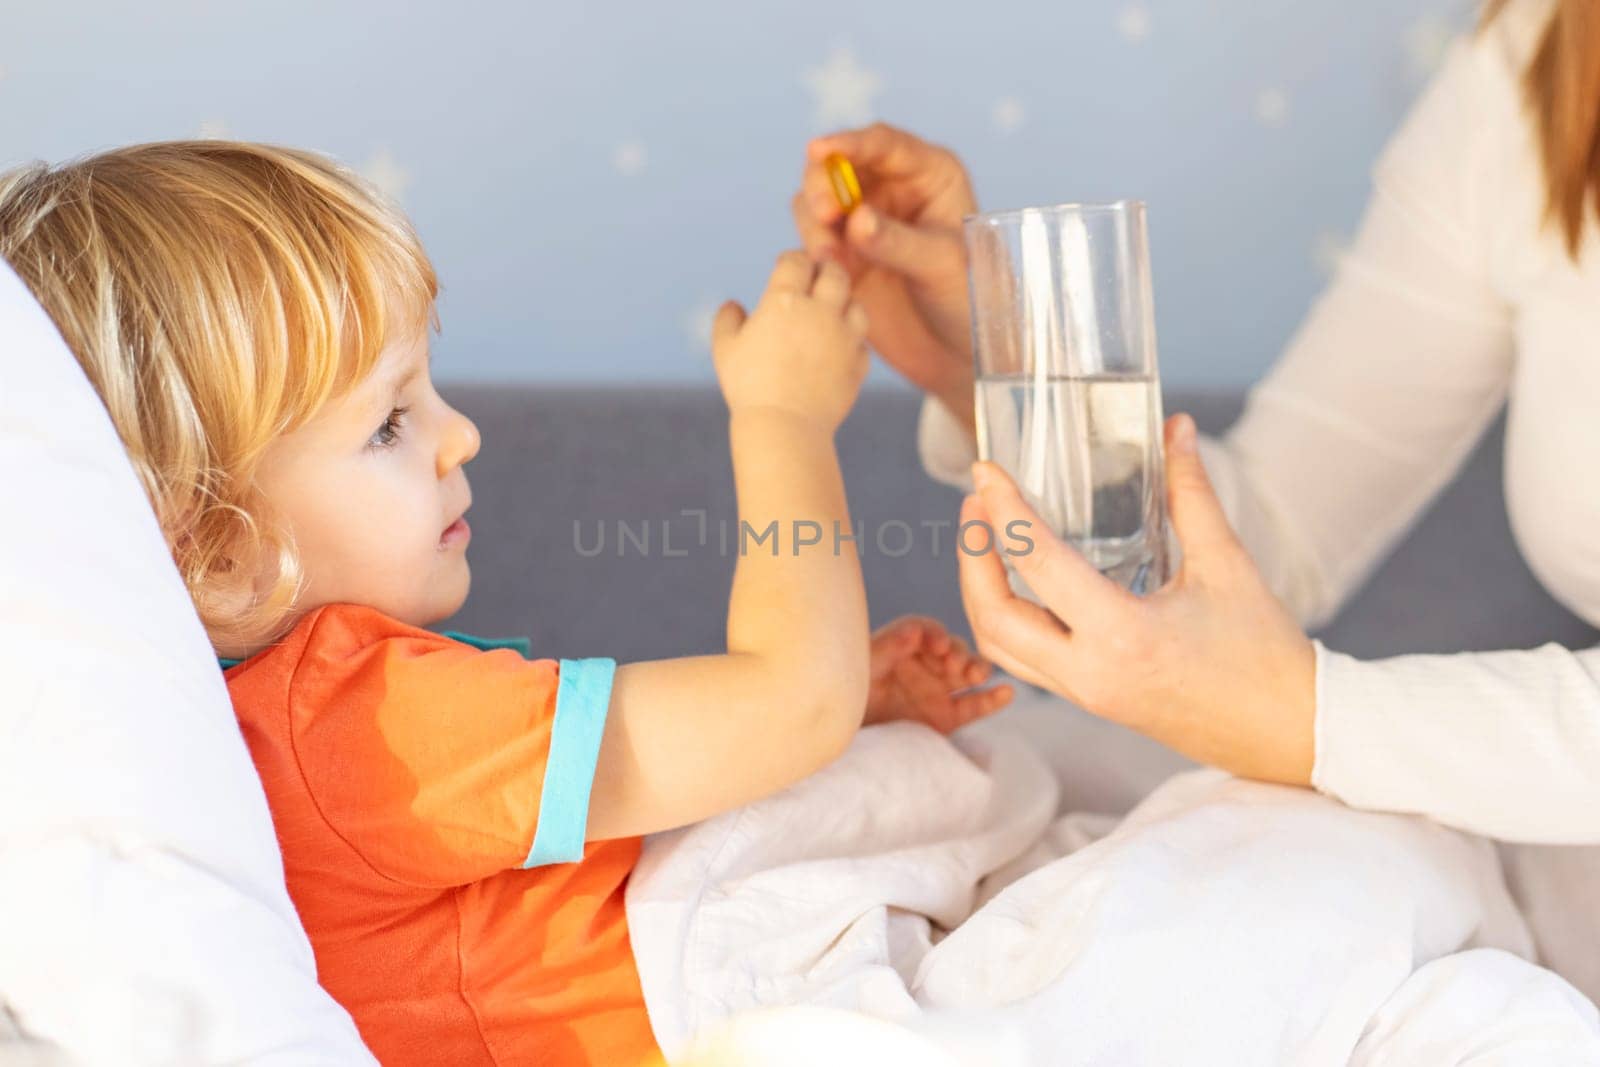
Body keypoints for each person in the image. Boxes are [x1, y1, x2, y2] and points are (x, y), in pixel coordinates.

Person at [0, 141, 1011, 1066]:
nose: (462, 435)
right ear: (219, 551)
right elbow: (789, 706)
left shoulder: (229, 743)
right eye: (391, 422)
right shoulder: (354, 718)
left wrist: (849, 686)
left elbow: (746, 730)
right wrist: (784, 419)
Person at [790, 0, 1600, 998]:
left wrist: (1308, 718)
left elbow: (1292, 699)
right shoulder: (1544, 62)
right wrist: (1004, 364)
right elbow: (1279, 526)